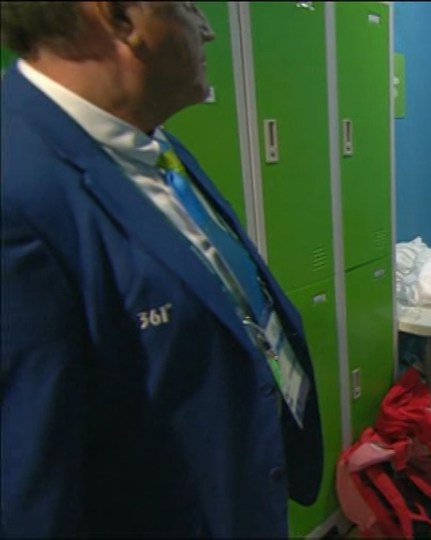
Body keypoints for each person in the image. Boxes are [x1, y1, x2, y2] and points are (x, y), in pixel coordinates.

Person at [1, 3, 323, 536]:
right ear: (121, 16)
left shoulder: (152, 143)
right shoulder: (17, 191)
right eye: (189, 6)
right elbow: (29, 483)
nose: (208, 29)